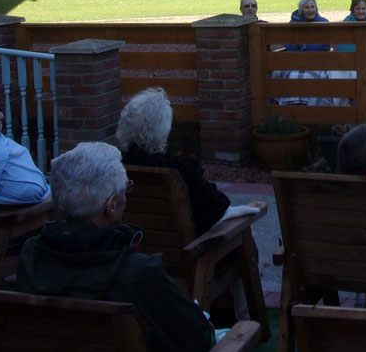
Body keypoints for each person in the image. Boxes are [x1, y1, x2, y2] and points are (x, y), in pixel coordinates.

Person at [16, 142, 216, 352]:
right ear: (111, 206)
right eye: (125, 190)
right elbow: (198, 338)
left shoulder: (31, 255)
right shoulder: (137, 273)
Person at [117, 87, 230, 235]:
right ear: (164, 128)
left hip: (136, 247)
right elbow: (218, 207)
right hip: (181, 251)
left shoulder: (118, 167)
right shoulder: (179, 170)